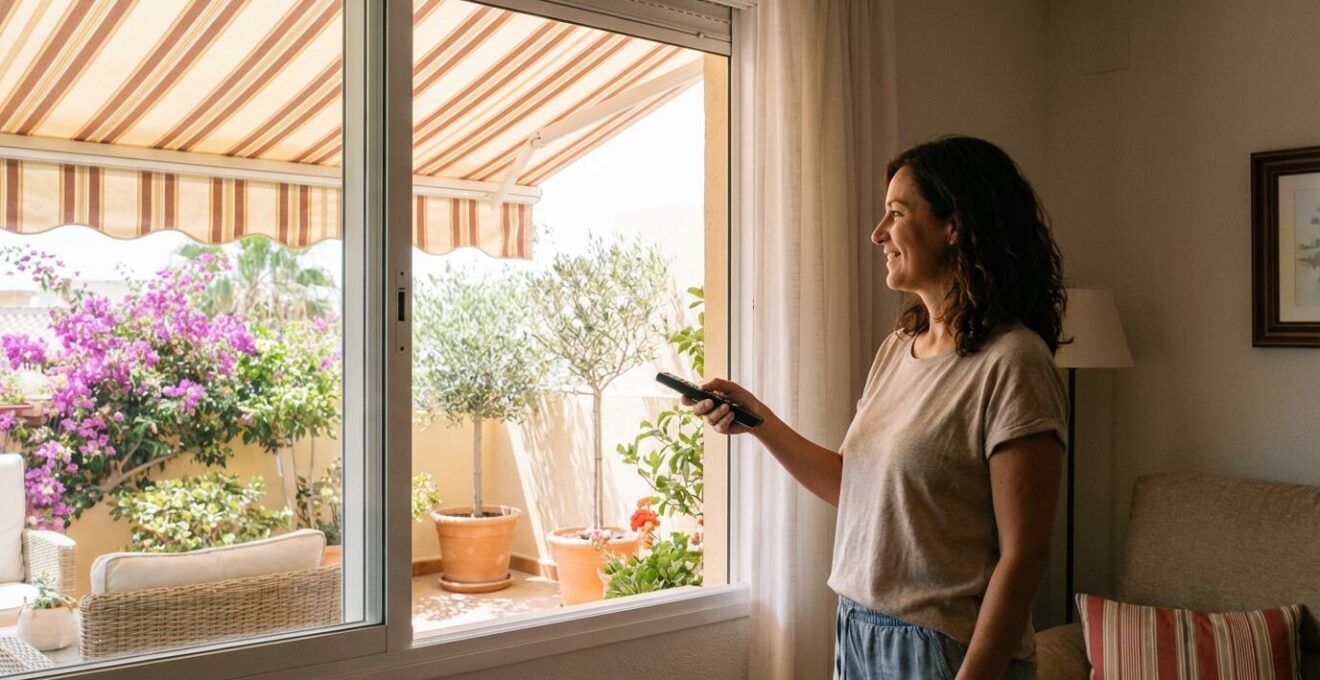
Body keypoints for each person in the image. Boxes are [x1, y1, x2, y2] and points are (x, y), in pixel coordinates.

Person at [684, 135, 1069, 680]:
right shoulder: (898, 350)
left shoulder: (1013, 362)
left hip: (943, 649)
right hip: (859, 629)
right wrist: (758, 420)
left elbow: (1025, 556)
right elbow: (855, 487)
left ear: (953, 224)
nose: (877, 233)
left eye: (896, 213)